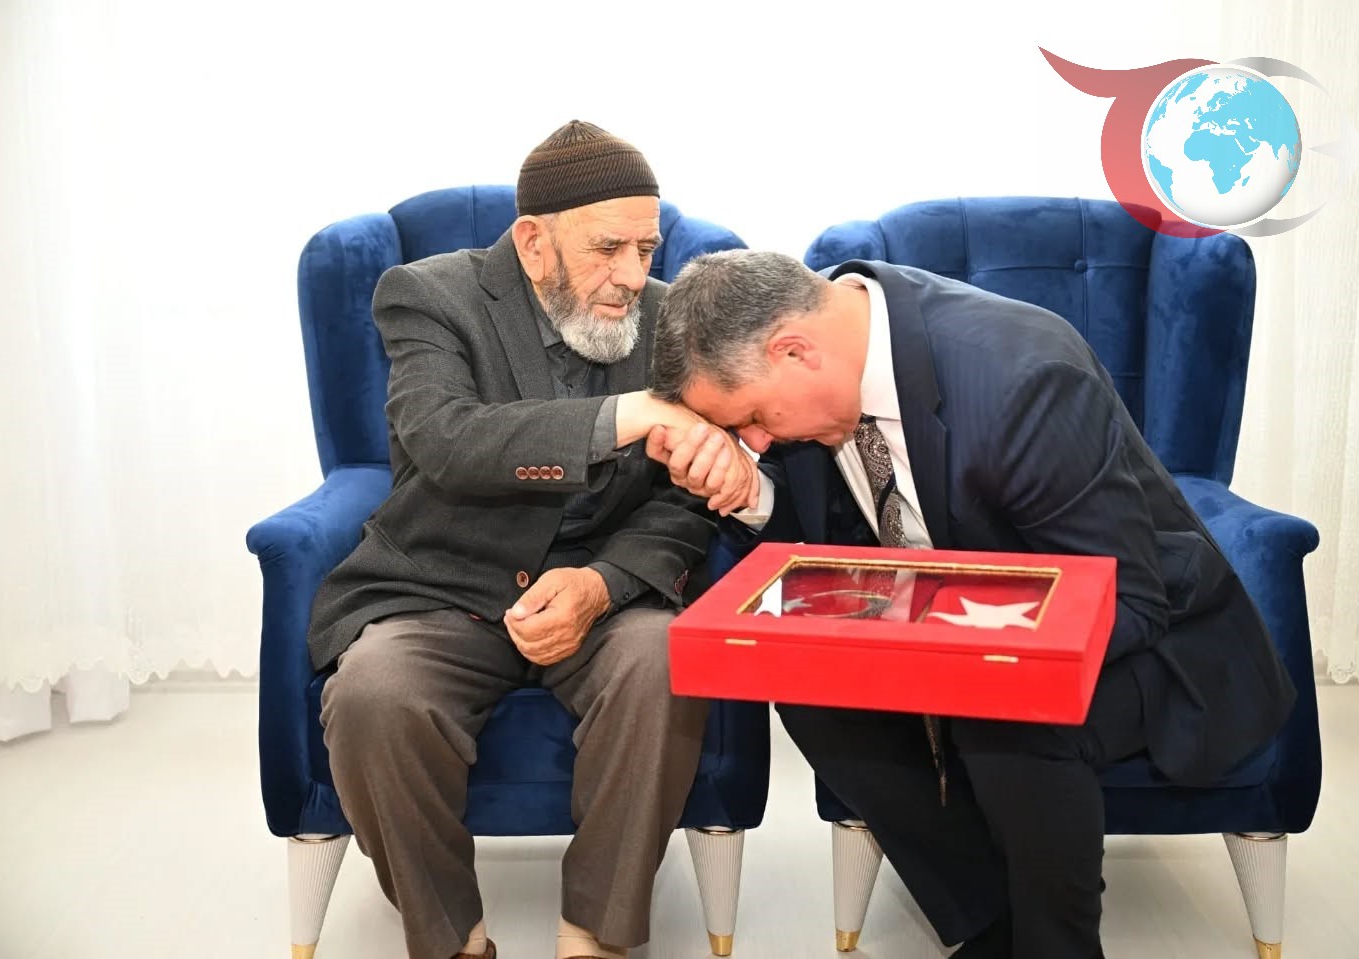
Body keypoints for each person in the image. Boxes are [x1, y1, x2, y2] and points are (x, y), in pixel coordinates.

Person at [646, 250, 1296, 959]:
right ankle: (989, 923)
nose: (756, 441)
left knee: (1001, 700)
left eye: (751, 418)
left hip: (1153, 641)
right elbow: (832, 543)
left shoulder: (1021, 378)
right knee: (808, 683)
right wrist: (752, 493)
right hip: (951, 631)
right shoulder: (826, 364)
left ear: (794, 351)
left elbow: (1128, 596)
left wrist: (961, 661)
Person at [309, 121, 735, 959]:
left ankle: (596, 935)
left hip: (605, 594)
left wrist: (602, 584)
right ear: (534, 243)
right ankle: (452, 939)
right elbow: (447, 438)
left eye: (645, 249)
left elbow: (684, 504)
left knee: (665, 658)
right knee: (373, 693)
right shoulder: (427, 296)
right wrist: (628, 415)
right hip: (442, 587)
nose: (632, 276)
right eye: (608, 248)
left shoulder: (666, 319)